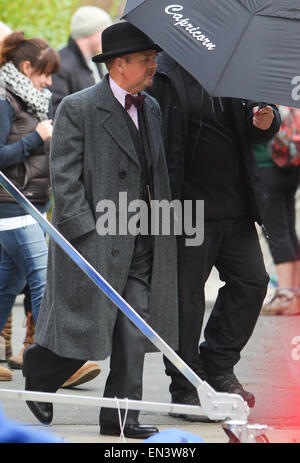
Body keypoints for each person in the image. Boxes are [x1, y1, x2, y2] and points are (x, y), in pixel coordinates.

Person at [22, 22, 178, 439]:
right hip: (94, 241)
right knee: (86, 332)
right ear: (118, 65)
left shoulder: (152, 107)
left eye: (153, 58)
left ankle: (120, 417)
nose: (153, 65)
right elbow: (64, 178)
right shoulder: (78, 107)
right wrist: (84, 234)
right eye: (146, 60)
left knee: (133, 328)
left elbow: (155, 172)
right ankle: (41, 369)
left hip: (142, 238)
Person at [148, 52, 281, 420]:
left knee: (252, 282)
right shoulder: (163, 71)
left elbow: (262, 117)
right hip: (186, 208)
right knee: (186, 301)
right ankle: (185, 387)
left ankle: (218, 366)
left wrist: (266, 119)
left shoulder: (236, 63)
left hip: (236, 205)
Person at [0, 31, 100, 387]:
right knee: (45, 281)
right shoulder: (5, 100)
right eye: (43, 74)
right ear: (26, 68)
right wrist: (36, 138)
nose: (48, 83)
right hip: (12, 208)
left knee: (7, 284)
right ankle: (57, 362)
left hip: (31, 206)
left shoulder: (29, 101)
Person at [254, 113, 300, 315]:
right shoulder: (283, 88)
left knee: (276, 232)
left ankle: (286, 295)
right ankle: (295, 293)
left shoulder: (255, 93)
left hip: (267, 165)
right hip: (289, 164)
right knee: (288, 230)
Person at [50, 5, 112, 115]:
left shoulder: (94, 61)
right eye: (104, 31)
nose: (108, 38)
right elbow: (58, 111)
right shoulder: (61, 64)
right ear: (92, 31)